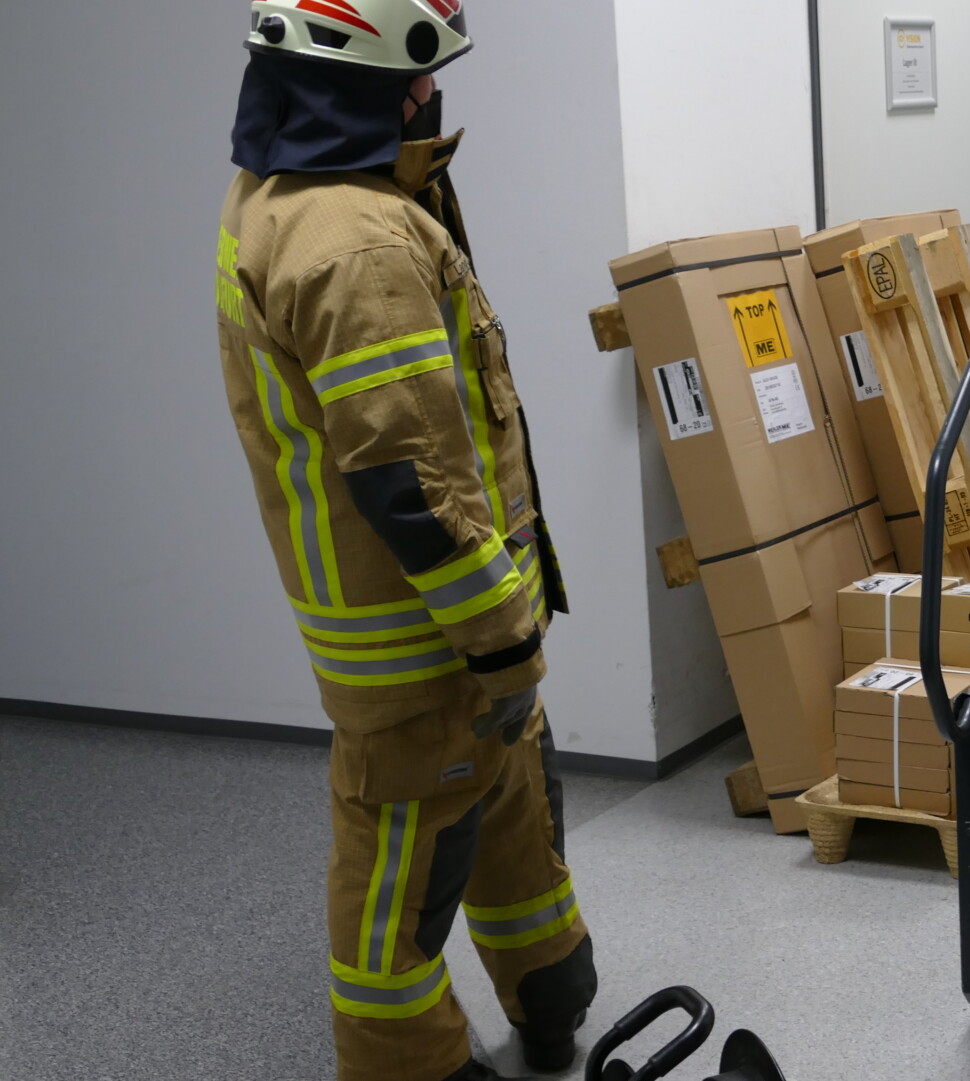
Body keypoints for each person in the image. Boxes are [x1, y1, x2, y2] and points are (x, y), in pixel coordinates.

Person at [215, 4, 595, 1079]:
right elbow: (414, 485)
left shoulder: (284, 193)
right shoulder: (354, 245)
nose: (431, 95)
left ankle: (551, 990)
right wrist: (505, 643)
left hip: (445, 627)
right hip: (425, 643)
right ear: (358, 81)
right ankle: (405, 1061)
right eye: (414, 77)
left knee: (510, 809)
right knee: (402, 871)